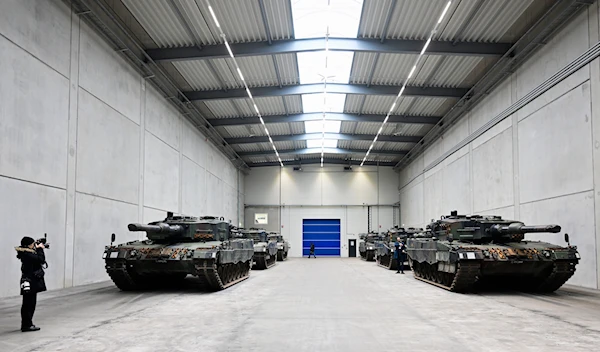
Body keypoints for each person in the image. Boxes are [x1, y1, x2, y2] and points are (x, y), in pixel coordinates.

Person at [15, 236, 47, 332]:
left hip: (29, 280)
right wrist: (40, 249)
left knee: (28, 303)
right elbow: (40, 259)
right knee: (29, 304)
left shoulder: (26, 253)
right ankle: (27, 325)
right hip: (30, 281)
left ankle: (27, 324)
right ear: (29, 245)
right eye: (33, 244)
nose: (34, 246)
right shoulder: (27, 254)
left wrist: (38, 249)